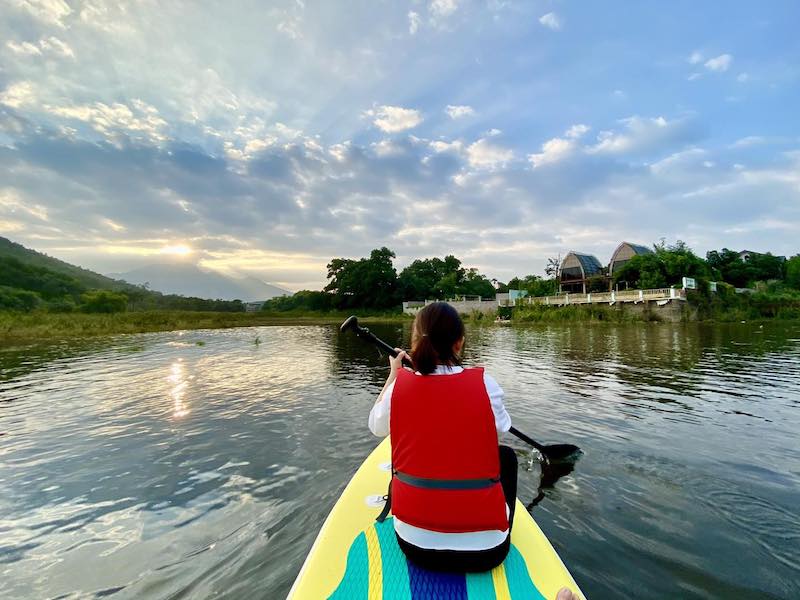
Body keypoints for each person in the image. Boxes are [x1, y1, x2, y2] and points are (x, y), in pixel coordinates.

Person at [368, 301, 517, 572]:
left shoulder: (398, 387)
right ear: (459, 343)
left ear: (415, 343)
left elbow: (376, 427)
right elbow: (500, 430)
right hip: (489, 553)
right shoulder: (486, 384)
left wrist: (394, 376)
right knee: (506, 456)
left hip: (415, 548)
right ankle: (502, 525)